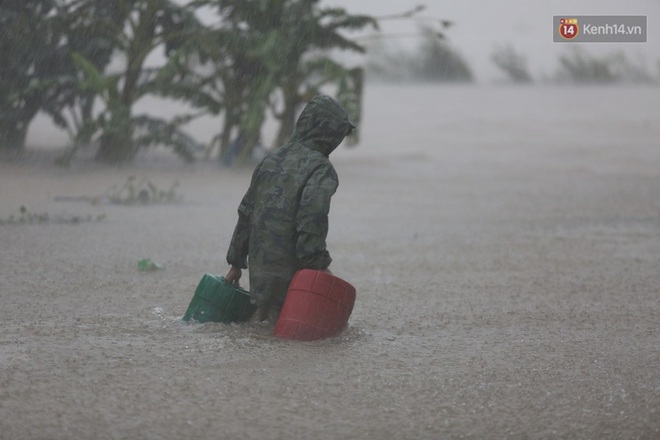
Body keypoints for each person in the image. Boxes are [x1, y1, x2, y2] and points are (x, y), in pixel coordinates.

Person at [224, 95, 356, 322]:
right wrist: (318, 266)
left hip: (260, 277)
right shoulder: (320, 168)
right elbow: (311, 218)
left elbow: (245, 213)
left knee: (263, 326)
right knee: (291, 336)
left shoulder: (271, 159)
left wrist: (235, 263)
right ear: (329, 133)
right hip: (294, 279)